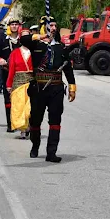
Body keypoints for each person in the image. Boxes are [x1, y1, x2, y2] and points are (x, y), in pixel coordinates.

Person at [21, 16, 76, 163]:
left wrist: (72, 87)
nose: (53, 28)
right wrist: (40, 36)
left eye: (54, 25)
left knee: (55, 120)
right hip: (39, 88)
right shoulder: (36, 45)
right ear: (43, 27)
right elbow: (23, 40)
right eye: (50, 25)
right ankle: (35, 145)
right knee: (36, 120)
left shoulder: (60, 47)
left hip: (56, 88)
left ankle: (51, 152)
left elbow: (68, 69)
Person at [0, 18, 22, 132]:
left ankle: (19, 123)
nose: (14, 26)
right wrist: (0, 59)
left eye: (16, 24)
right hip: (6, 72)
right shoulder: (3, 40)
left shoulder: (23, 40)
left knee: (20, 98)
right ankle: (10, 124)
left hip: (21, 74)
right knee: (8, 98)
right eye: (12, 24)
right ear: (9, 26)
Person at [6, 29, 34, 139]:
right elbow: (11, 69)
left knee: (30, 108)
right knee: (19, 107)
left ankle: (29, 125)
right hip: (18, 83)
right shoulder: (15, 53)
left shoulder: (35, 51)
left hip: (31, 82)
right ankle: (23, 129)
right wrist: (9, 84)